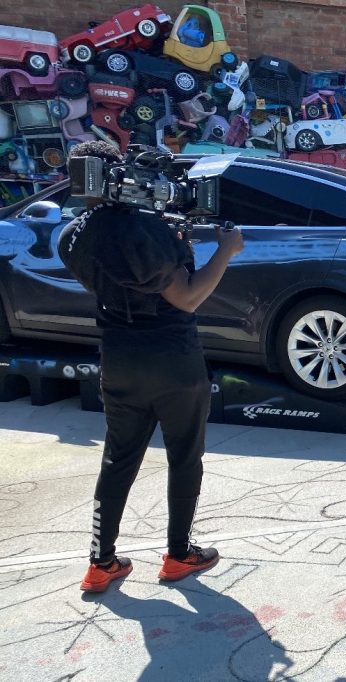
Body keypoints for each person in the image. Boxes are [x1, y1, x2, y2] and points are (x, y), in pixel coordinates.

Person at [57, 141, 245, 593]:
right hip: (173, 358)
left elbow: (121, 270)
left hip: (119, 358)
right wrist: (225, 251)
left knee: (118, 459)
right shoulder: (147, 229)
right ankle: (179, 555)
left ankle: (101, 562)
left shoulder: (72, 236)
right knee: (184, 456)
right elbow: (186, 297)